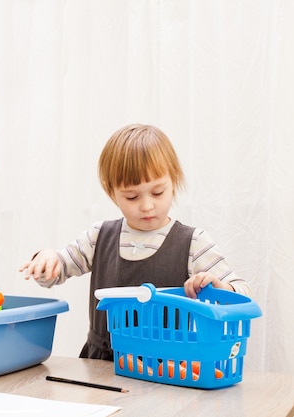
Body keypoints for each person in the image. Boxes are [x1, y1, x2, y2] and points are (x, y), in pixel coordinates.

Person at [19, 123, 251, 361]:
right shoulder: (99, 236)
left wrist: (219, 287)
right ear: (112, 193)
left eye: (158, 192)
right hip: (101, 367)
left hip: (164, 368)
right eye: (132, 196)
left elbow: (242, 294)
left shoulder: (193, 243)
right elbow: (58, 270)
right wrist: (47, 261)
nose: (147, 205)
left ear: (174, 182)